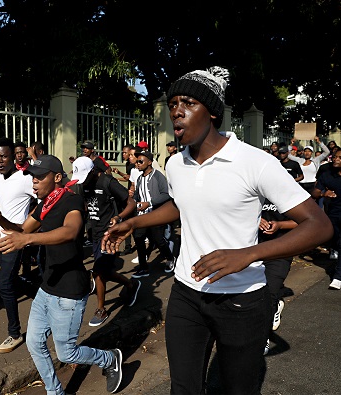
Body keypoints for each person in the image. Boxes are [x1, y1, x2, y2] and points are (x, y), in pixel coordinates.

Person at [102, 66, 331, 394]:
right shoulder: (176, 164)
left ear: (211, 112)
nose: (177, 111)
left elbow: (319, 225)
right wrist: (133, 222)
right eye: (172, 104)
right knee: (183, 387)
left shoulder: (254, 162)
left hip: (241, 300)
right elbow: (181, 204)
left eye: (188, 103)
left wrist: (248, 254)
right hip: (185, 294)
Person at [0, 154, 123, 394]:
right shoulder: (44, 205)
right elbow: (22, 228)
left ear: (57, 177)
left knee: (67, 352)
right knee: (34, 343)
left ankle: (109, 359)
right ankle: (55, 391)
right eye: (32, 178)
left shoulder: (72, 201)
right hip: (47, 287)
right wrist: (0, 219)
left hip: (69, 291)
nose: (34, 182)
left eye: (39, 177)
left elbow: (70, 231)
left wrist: (27, 239)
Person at [0, 138, 35, 353]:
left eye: (4, 156)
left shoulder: (25, 178)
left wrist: (31, 224)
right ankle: (42, 295)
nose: (0, 160)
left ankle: (14, 334)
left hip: (16, 238)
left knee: (4, 285)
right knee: (10, 280)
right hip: (2, 236)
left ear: (14, 157)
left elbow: (43, 199)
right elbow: (1, 203)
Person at [73, 156, 139, 327]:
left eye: (85, 178)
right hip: (95, 235)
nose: (83, 182)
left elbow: (131, 203)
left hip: (111, 235)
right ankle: (130, 283)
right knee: (105, 272)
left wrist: (118, 217)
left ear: (94, 171)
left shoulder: (107, 182)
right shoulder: (84, 185)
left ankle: (101, 309)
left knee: (98, 271)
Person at [259, 198, 297, 355]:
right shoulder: (252, 188)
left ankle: (263, 337)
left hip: (281, 252)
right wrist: (254, 219)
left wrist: (280, 224)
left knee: (268, 295)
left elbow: (302, 221)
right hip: (253, 250)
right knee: (251, 295)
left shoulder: (287, 189)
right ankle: (275, 305)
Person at [131, 150, 175, 278]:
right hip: (143, 216)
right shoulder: (139, 179)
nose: (137, 164)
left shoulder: (158, 176)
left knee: (158, 240)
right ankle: (143, 268)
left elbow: (166, 195)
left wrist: (149, 203)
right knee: (138, 238)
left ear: (149, 162)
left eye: (140, 161)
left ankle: (170, 258)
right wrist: (133, 198)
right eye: (137, 161)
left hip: (156, 215)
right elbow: (137, 196)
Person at [313, 149, 341, 290]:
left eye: (339, 158)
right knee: (335, 240)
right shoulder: (327, 174)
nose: (336, 159)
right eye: (335, 157)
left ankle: (338, 277)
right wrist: (325, 193)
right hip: (333, 215)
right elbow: (315, 192)